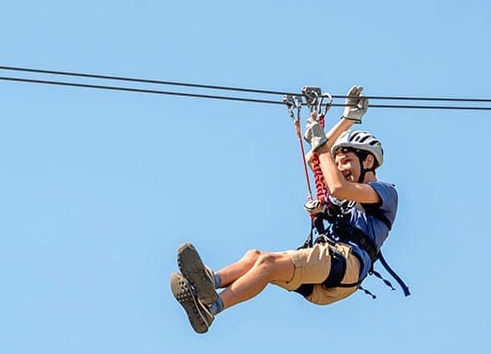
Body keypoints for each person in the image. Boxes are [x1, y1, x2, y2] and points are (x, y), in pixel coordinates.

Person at [170, 86, 399, 334]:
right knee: (256, 257)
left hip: (345, 264)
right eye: (339, 162)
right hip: (329, 275)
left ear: (368, 161)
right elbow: (316, 160)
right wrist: (347, 121)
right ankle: (211, 281)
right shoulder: (347, 201)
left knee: (268, 263)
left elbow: (336, 186)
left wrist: (322, 144)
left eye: (348, 161)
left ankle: (211, 309)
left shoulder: (385, 192)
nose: (342, 167)